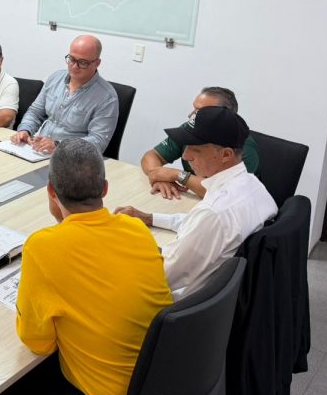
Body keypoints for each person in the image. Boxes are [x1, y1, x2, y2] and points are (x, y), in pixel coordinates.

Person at [2, 139, 171, 395]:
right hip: (158, 386)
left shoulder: (42, 246)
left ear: (50, 191)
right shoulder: (135, 228)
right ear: (105, 189)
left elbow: (38, 343)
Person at [117, 106, 277, 299]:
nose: (185, 156)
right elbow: (199, 225)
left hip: (175, 303)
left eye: (195, 148)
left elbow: (159, 276)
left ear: (226, 155)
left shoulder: (214, 213)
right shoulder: (253, 186)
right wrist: (150, 218)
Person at [142, 86, 260, 200]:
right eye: (194, 108)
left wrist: (178, 175)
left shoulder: (242, 148)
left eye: (200, 111)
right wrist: (159, 178)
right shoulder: (189, 131)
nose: (190, 115)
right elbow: (152, 156)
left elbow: (224, 193)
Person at [10, 35, 118, 155]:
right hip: (39, 150)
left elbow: (98, 141)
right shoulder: (56, 78)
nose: (74, 66)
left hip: (72, 158)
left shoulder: (107, 97)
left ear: (97, 63)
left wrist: (59, 145)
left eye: (83, 63)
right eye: (72, 59)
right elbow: (35, 112)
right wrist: (25, 130)